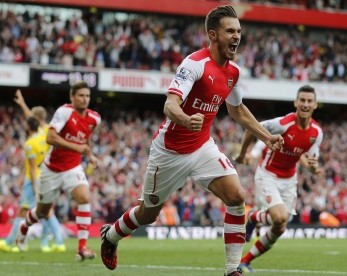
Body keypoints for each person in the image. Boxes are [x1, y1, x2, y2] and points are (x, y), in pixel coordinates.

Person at [99, 5, 283, 276]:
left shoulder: (233, 72)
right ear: (213, 34)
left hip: (201, 147)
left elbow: (237, 109)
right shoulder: (194, 64)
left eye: (239, 31)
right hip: (169, 151)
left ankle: (233, 270)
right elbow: (170, 104)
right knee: (147, 214)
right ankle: (111, 236)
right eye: (230, 31)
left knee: (236, 197)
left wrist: (266, 137)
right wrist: (185, 119)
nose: (236, 37)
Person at [234, 85, 323, 272]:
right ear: (296, 103)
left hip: (290, 179)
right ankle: (253, 218)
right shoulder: (283, 124)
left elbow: (310, 161)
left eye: (309, 101)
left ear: (315, 105)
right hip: (268, 174)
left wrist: (315, 169)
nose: (305, 104)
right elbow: (252, 127)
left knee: (280, 227)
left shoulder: (316, 133)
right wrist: (243, 154)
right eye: (302, 100)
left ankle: (245, 260)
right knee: (280, 216)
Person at [16, 81, 101, 261]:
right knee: (41, 211)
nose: (84, 99)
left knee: (85, 197)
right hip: (52, 169)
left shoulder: (95, 119)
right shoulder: (64, 112)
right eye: (80, 95)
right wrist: (77, 148)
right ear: (72, 97)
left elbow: (85, 140)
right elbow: (50, 137)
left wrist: (90, 155)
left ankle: (82, 248)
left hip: (73, 167)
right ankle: (24, 227)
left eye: (87, 96)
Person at [10, 89, 66, 253]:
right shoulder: (46, 132)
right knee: (46, 211)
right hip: (48, 175)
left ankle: (12, 241)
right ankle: (46, 243)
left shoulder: (41, 134)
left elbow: (31, 119)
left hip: (37, 176)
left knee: (39, 211)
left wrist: (22, 104)